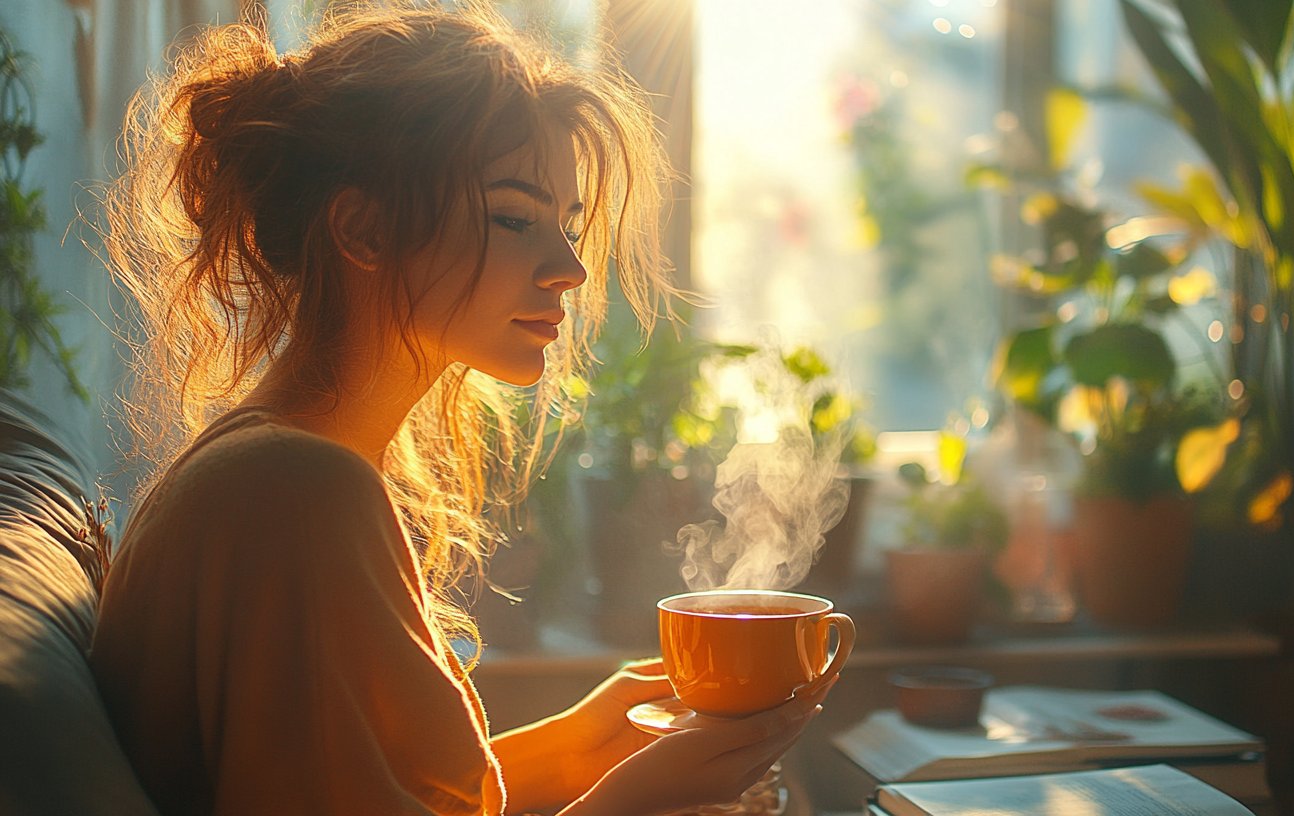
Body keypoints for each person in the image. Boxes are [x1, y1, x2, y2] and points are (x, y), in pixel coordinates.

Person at [88, 4, 837, 814]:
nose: (570, 270)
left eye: (568, 226)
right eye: (515, 218)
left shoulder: (282, 463)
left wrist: (584, 745)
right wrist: (635, 802)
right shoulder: (296, 488)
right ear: (364, 227)